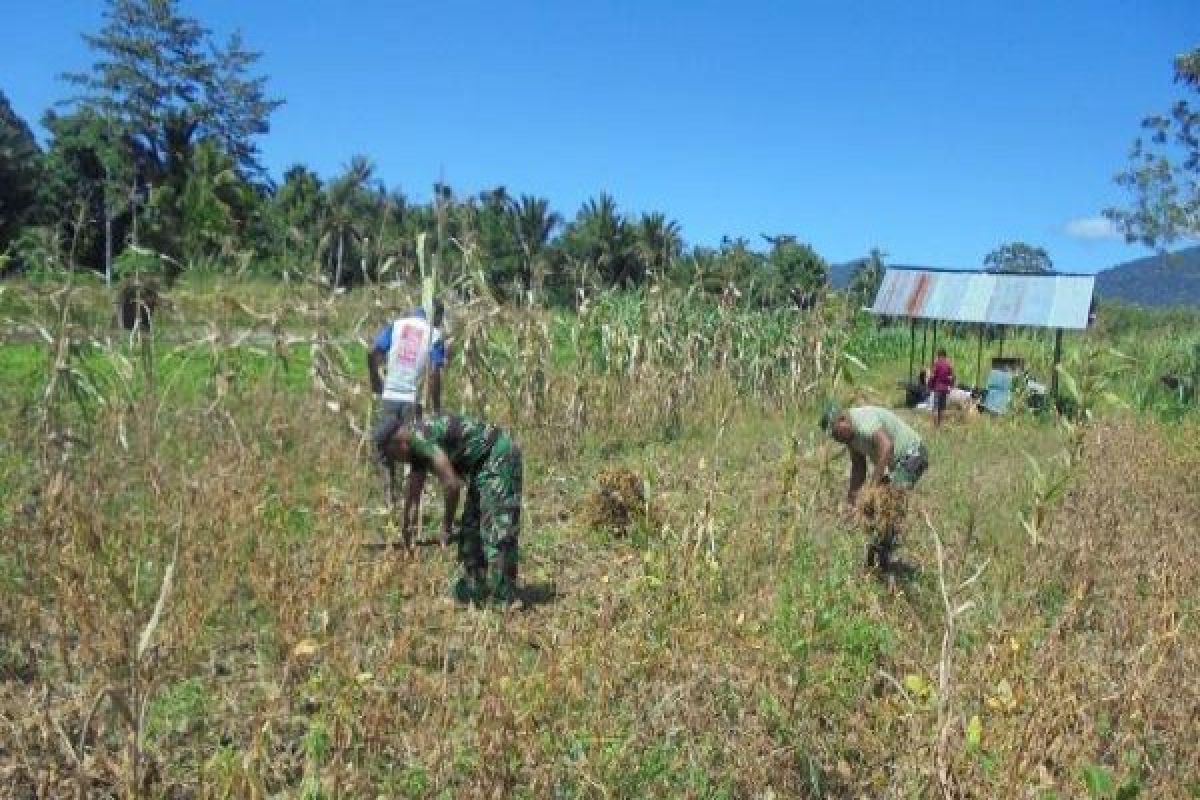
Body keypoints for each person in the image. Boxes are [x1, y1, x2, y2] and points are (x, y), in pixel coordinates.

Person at [377, 413, 524, 606]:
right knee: (470, 532)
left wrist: (445, 527)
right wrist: (408, 529)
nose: (396, 462)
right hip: (480, 467)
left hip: (498, 456)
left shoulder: (420, 440)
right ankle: (475, 589)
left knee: (497, 531)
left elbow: (452, 485)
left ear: (399, 443)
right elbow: (413, 495)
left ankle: (505, 600)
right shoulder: (414, 448)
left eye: (392, 456)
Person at [821, 404, 929, 572]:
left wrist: (872, 488)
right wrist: (851, 501)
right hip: (898, 464)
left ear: (842, 420)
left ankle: (882, 562)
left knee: (889, 505)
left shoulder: (863, 422)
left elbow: (887, 446)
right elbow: (859, 468)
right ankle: (874, 560)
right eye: (833, 437)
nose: (837, 439)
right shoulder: (851, 438)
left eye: (836, 433)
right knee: (874, 508)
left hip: (913, 455)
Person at [368, 306, 446, 505]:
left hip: (390, 396)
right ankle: (412, 504)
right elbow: (435, 373)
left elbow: (373, 351)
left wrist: (376, 382)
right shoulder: (434, 334)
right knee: (416, 451)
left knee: (383, 444)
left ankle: (389, 498)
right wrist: (437, 407)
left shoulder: (396, 326)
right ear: (436, 317)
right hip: (414, 400)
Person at [929, 348, 956, 427]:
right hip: (945, 389)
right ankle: (940, 426)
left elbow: (933, 376)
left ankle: (935, 426)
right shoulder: (949, 365)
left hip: (937, 389)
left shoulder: (936, 364)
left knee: (936, 408)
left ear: (939, 355)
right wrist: (951, 386)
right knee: (942, 409)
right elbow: (952, 377)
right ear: (945, 355)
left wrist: (930, 385)